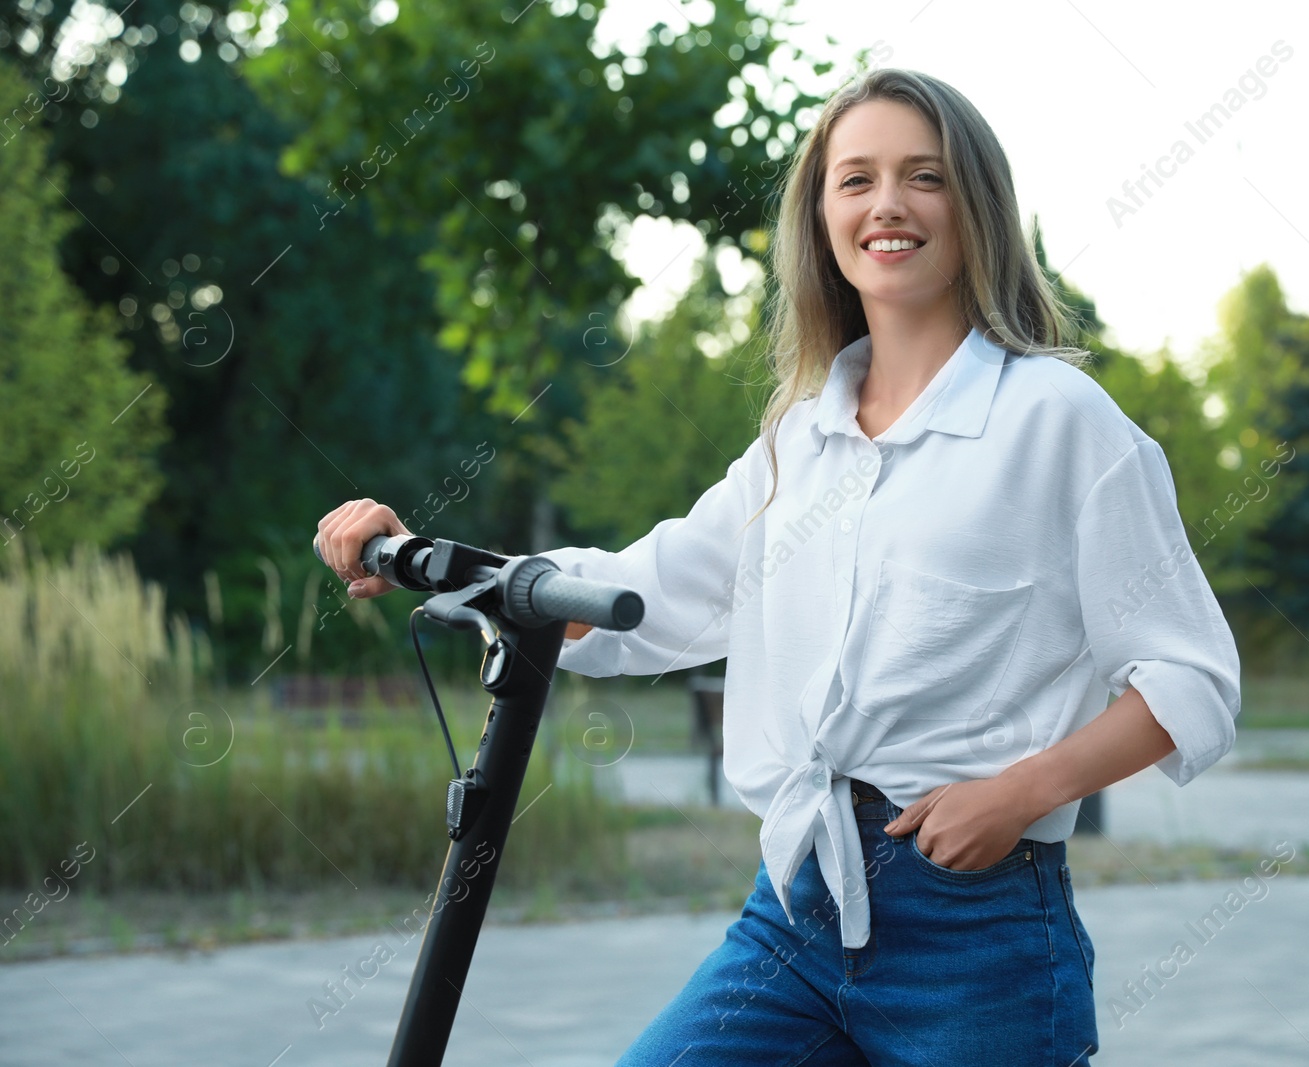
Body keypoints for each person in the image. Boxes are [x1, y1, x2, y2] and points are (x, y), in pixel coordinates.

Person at [314, 67, 1240, 1067]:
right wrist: (446, 563)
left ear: (974, 208)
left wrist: (1020, 789)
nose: (886, 204)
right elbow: (641, 596)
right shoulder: (798, 443)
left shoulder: (1057, 423)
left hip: (975, 930)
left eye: (922, 177)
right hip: (792, 911)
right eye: (856, 180)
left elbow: (1191, 677)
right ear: (822, 218)